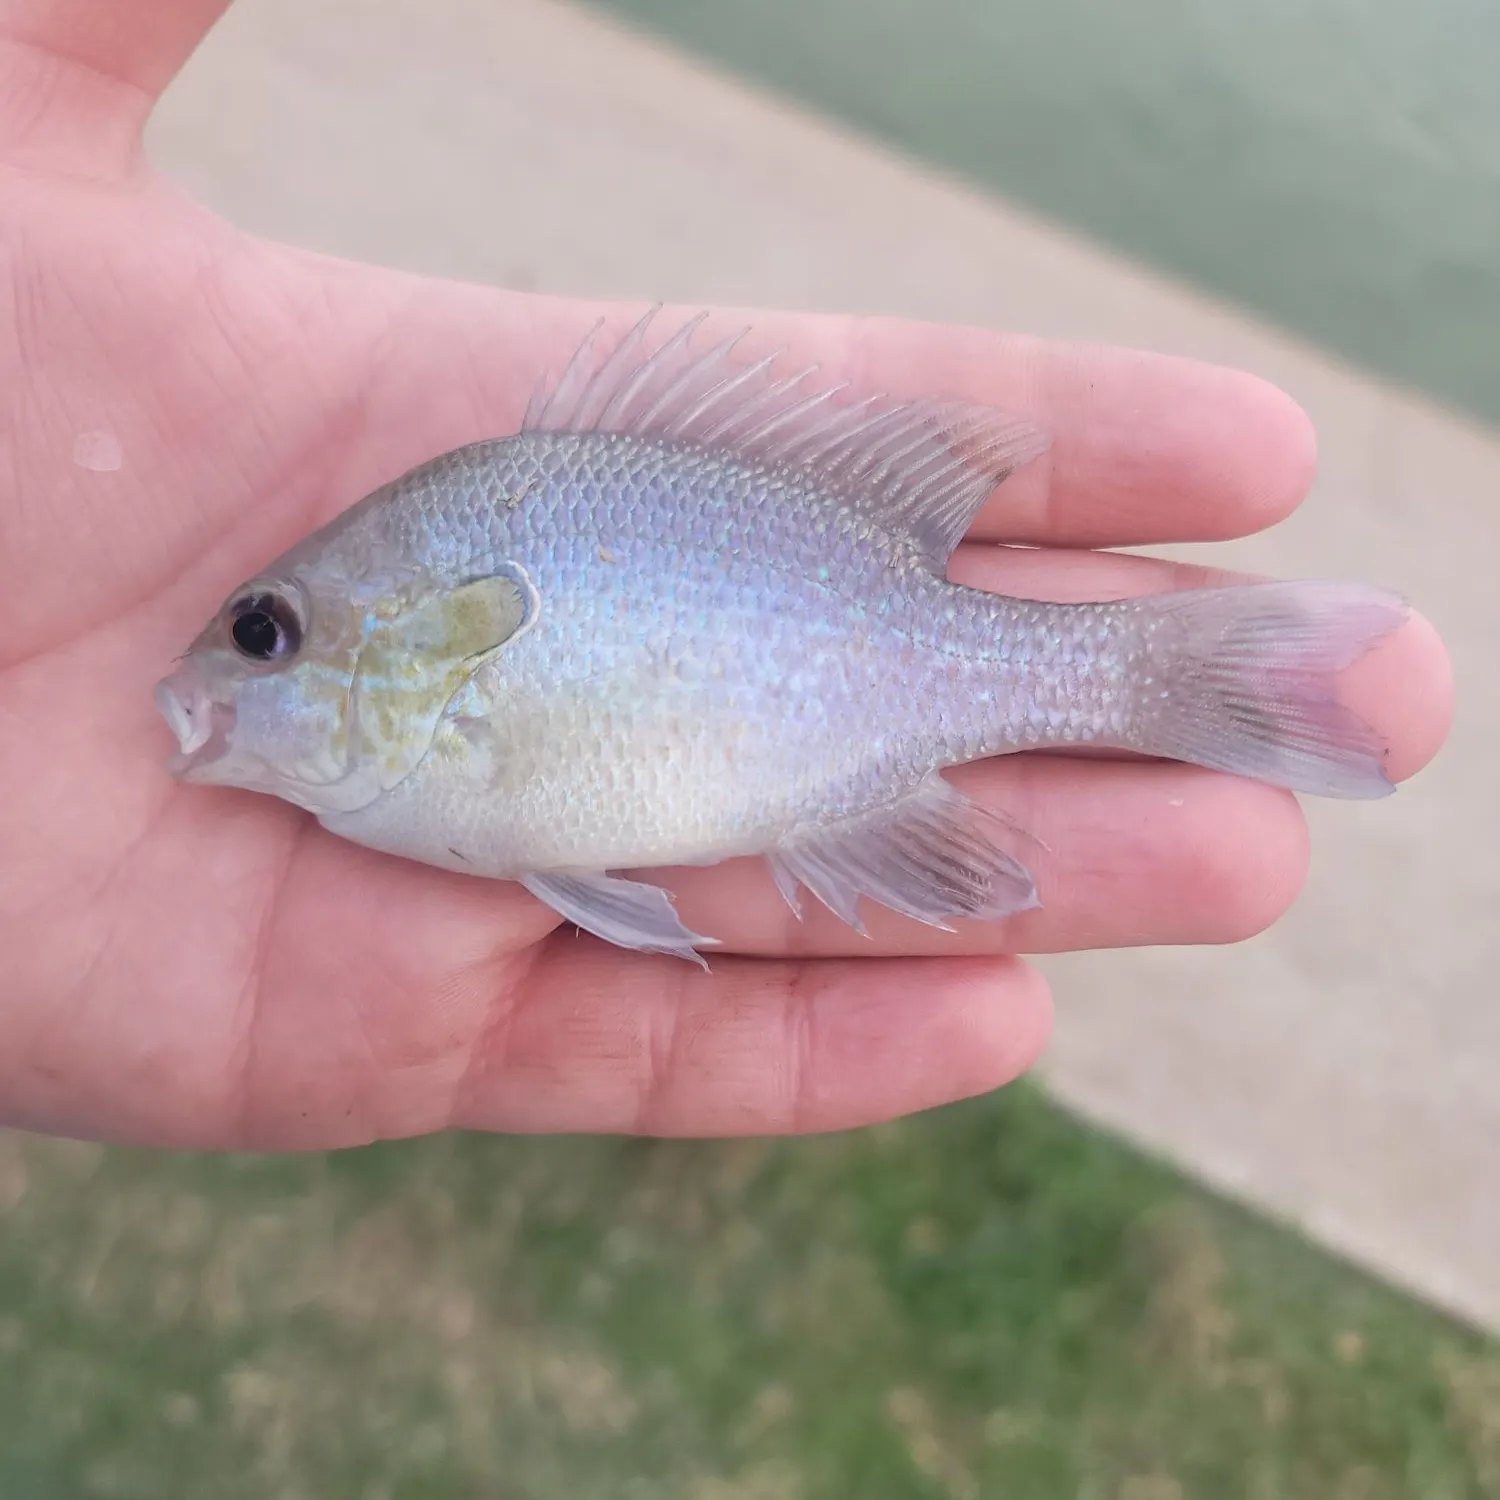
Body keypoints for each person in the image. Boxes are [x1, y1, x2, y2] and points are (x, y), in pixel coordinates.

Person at [0, 1, 1451, 1152]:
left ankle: (1183, 680)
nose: (219, 671)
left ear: (427, 647)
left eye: (266, 636)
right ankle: (1238, 685)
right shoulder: (417, 690)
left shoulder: (433, 683)